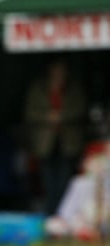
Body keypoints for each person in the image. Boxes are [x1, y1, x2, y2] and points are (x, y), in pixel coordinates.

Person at [24, 57, 87, 216]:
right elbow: (30, 112)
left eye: (62, 71)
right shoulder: (38, 88)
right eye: (56, 70)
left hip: (68, 143)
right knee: (48, 182)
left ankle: (62, 214)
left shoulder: (73, 89)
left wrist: (61, 116)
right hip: (45, 143)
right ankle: (50, 214)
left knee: (65, 181)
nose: (59, 74)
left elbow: (81, 109)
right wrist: (48, 117)